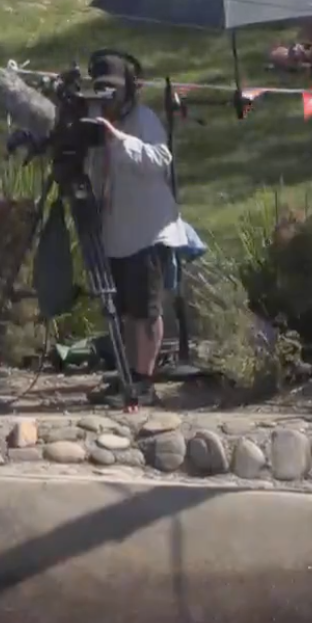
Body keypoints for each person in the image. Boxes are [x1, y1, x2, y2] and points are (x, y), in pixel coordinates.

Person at [79, 51, 187, 407]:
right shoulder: (92, 122)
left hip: (147, 229)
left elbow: (161, 161)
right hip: (115, 232)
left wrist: (121, 141)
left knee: (146, 311)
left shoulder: (144, 118)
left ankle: (145, 381)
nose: (108, 97)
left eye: (113, 90)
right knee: (122, 311)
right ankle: (128, 373)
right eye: (101, 90)